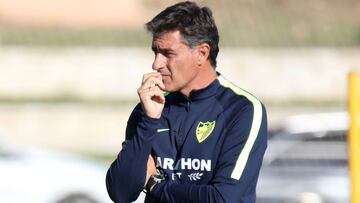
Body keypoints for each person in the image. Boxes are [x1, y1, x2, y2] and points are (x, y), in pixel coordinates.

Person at [106, 1, 267, 203]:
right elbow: (121, 193)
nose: (156, 63)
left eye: (168, 54)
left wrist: (155, 185)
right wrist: (149, 122)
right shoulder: (149, 108)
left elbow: (224, 199)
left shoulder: (242, 110)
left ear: (201, 53)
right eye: (155, 52)